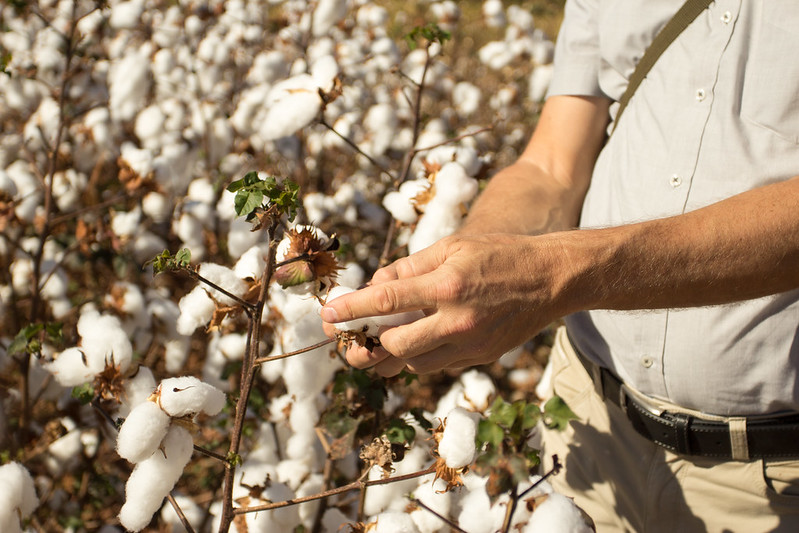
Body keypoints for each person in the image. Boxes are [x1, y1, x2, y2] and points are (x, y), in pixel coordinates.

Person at [321, 1, 799, 531]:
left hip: (772, 475)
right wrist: (466, 262)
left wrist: (559, 275)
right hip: (588, 422)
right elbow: (553, 165)